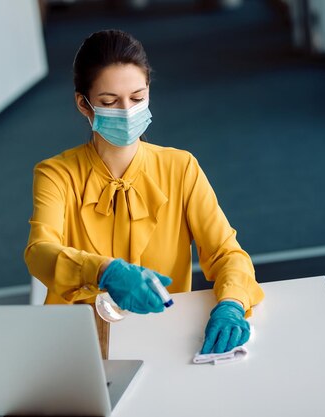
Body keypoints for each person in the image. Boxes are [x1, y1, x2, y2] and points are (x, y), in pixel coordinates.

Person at [24, 29, 264, 354]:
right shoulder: (56, 174)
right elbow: (40, 251)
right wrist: (105, 270)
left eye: (137, 98)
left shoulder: (181, 168)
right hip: (76, 344)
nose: (126, 111)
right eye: (109, 102)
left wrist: (233, 303)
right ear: (84, 104)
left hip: (163, 336)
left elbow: (226, 253)